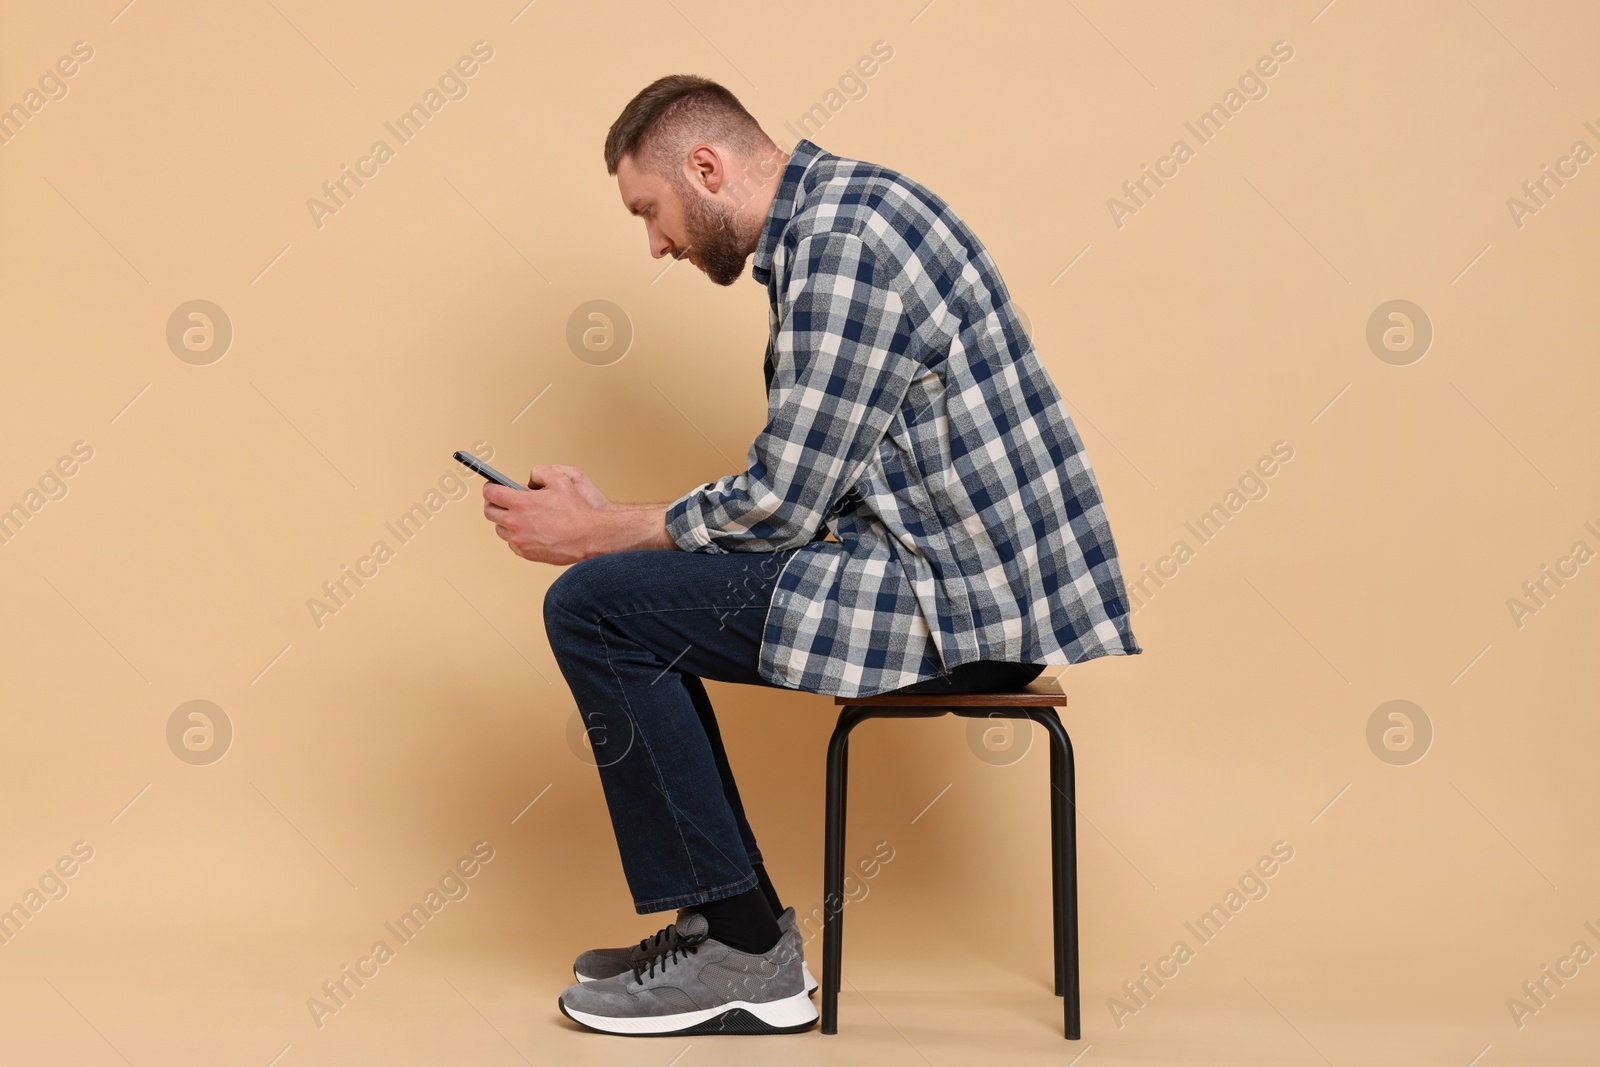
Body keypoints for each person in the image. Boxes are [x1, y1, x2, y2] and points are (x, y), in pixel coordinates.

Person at [478, 74, 1142, 1036]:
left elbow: (783, 502)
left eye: (651, 212)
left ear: (705, 168)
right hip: (958, 578)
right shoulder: (844, 214)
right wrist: (612, 529)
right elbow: (811, 485)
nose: (655, 244)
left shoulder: (841, 247)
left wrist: (596, 529)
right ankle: (726, 927)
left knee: (593, 605)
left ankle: (741, 951)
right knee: (619, 599)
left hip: (953, 600)